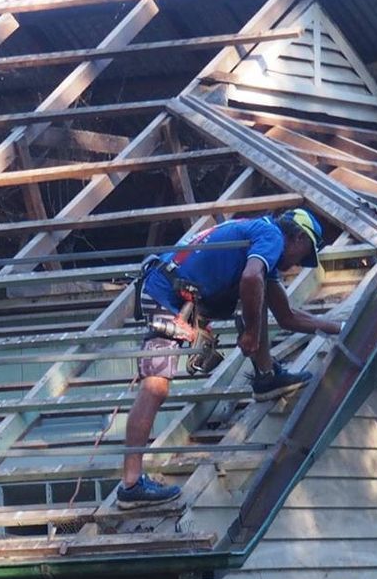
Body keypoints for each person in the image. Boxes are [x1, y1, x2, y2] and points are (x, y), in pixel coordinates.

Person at [116, 207, 342, 505]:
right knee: (156, 386)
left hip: (181, 293)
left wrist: (340, 327)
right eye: (303, 255)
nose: (297, 264)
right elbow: (250, 280)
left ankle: (266, 378)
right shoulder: (270, 236)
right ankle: (131, 485)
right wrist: (250, 333)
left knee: (259, 289)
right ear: (298, 237)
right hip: (164, 294)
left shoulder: (259, 243)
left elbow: (286, 317)